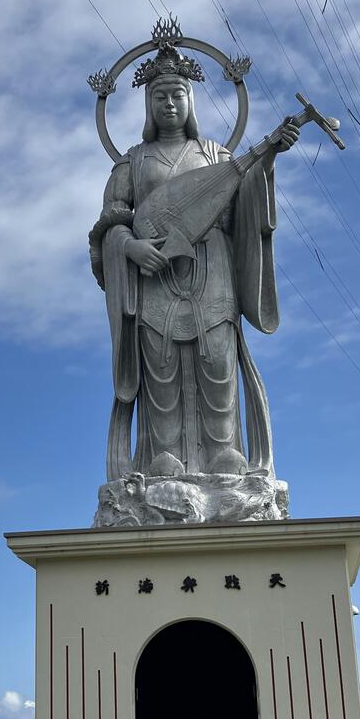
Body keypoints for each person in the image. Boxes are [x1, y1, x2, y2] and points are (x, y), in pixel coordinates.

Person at [89, 41, 298, 482]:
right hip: (155, 274)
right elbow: (111, 221)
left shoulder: (216, 156)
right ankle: (163, 456)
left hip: (211, 267)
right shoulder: (133, 162)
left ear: (191, 101)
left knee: (217, 359)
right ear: (148, 105)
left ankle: (223, 452)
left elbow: (242, 205)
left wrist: (268, 158)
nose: (169, 104)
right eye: (159, 96)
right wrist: (129, 247)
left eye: (177, 94)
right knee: (161, 363)